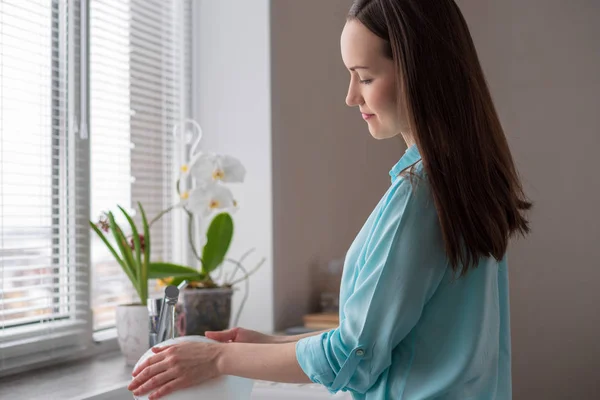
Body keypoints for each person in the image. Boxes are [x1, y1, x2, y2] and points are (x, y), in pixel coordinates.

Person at [128, 0, 531, 398]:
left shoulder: (419, 196)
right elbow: (384, 337)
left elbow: (353, 356)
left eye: (365, 77)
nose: (351, 96)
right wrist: (263, 345)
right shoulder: (462, 184)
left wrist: (218, 360)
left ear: (419, 73)